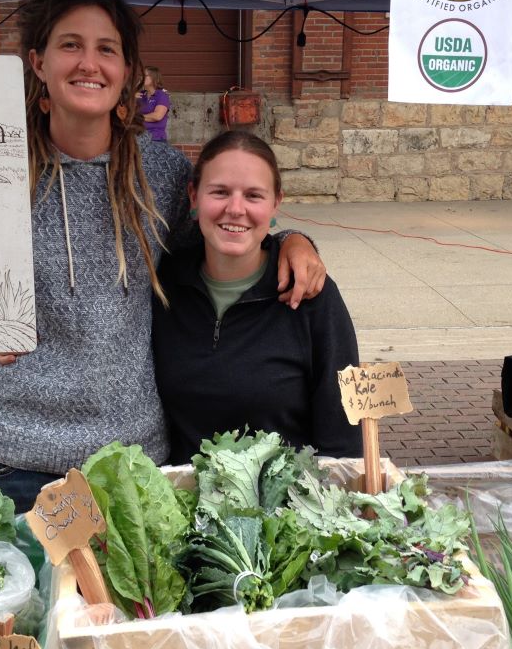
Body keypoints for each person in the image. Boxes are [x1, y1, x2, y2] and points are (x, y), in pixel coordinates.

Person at [0, 0, 327, 511]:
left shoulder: (163, 175)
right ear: (37, 62)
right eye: (70, 44)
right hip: (13, 463)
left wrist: (290, 239)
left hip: (132, 462)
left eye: (107, 49)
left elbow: (220, 245)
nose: (88, 63)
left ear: (126, 71)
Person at [152, 131, 362, 464]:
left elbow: (344, 441)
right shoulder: (161, 286)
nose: (235, 209)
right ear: (194, 196)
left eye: (253, 195)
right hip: (182, 505)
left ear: (276, 202)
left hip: (286, 508)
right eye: (220, 192)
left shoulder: (310, 295)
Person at [137, 66, 171, 142]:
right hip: (139, 137)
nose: (141, 77)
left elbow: (157, 116)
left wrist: (136, 118)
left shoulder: (162, 95)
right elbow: (125, 114)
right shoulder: (140, 95)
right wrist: (130, 97)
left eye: (145, 75)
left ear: (153, 78)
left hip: (155, 138)